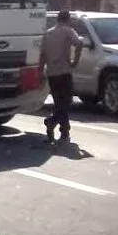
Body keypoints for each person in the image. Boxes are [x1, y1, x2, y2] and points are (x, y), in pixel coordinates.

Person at [38, 10, 83, 144]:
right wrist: (75, 61)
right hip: (64, 71)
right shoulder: (68, 31)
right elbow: (79, 44)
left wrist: (41, 72)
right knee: (66, 101)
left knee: (59, 102)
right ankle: (51, 121)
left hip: (52, 73)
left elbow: (43, 55)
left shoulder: (48, 33)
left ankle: (64, 130)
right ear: (67, 19)